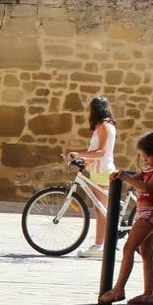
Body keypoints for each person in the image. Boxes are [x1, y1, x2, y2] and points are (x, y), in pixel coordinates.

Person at [97, 132, 153, 305]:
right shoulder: (149, 168)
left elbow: (148, 187)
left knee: (128, 248)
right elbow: (137, 177)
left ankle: (118, 289)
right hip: (142, 212)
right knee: (146, 255)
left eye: (147, 156)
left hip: (150, 214)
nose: (144, 160)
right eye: (142, 156)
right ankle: (148, 295)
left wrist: (126, 178)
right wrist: (123, 173)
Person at [67, 96, 118, 259]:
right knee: (100, 208)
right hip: (99, 170)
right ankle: (102, 244)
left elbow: (102, 152)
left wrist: (79, 153)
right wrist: (84, 159)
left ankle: (100, 246)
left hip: (103, 171)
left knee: (102, 209)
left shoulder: (104, 126)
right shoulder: (104, 126)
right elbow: (98, 151)